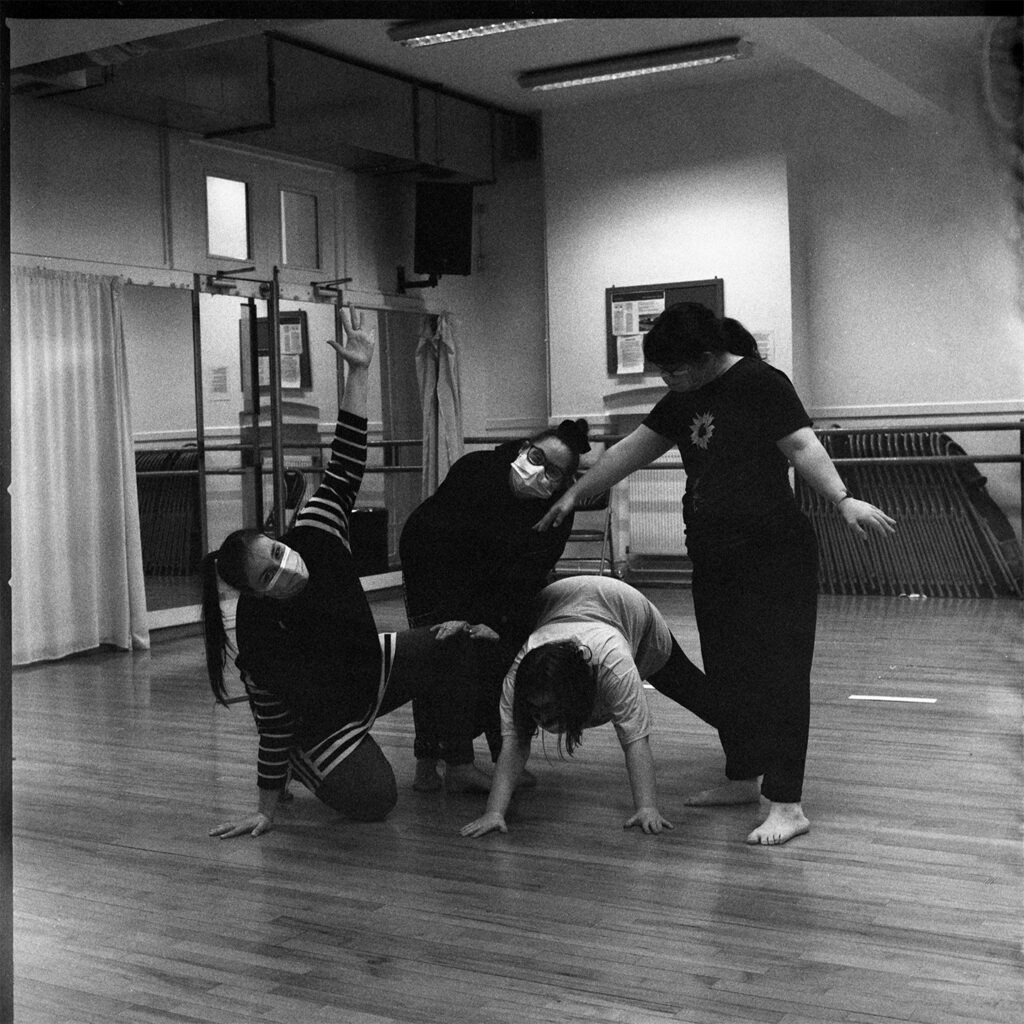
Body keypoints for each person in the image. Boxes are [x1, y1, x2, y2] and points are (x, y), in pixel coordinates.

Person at [537, 302, 896, 846]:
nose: (666, 380)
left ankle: (787, 801)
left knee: (778, 674)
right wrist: (574, 492)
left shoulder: (760, 382)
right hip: (713, 552)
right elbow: (634, 449)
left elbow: (801, 444)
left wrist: (842, 499)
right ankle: (741, 775)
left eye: (673, 370)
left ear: (706, 357)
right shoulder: (685, 395)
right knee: (728, 672)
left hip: (774, 552)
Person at [200, 306, 488, 838]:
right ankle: (303, 763)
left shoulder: (315, 528)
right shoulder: (260, 637)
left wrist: (358, 374)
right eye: (269, 576)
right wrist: (266, 807)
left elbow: (347, 459)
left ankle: (453, 760)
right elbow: (273, 721)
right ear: (259, 597)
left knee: (456, 641)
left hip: (366, 665)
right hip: (319, 719)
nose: (284, 567)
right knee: (375, 801)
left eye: (278, 552)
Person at [399, 417, 591, 792]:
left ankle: (503, 759)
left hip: (493, 583)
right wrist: (461, 618)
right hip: (430, 565)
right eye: (537, 458)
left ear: (562, 483)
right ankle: (437, 762)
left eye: (553, 472)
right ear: (523, 449)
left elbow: (530, 575)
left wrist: (497, 625)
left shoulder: (555, 514)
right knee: (440, 649)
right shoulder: (476, 470)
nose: (539, 473)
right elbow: (448, 550)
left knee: (496, 654)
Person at [459, 575, 720, 838]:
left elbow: (635, 741)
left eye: (549, 709)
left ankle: (750, 751)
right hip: (558, 602)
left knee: (699, 695)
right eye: (536, 710)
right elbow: (515, 744)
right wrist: (494, 812)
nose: (542, 719)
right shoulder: (518, 677)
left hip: (629, 608)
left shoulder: (614, 666)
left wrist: (647, 807)